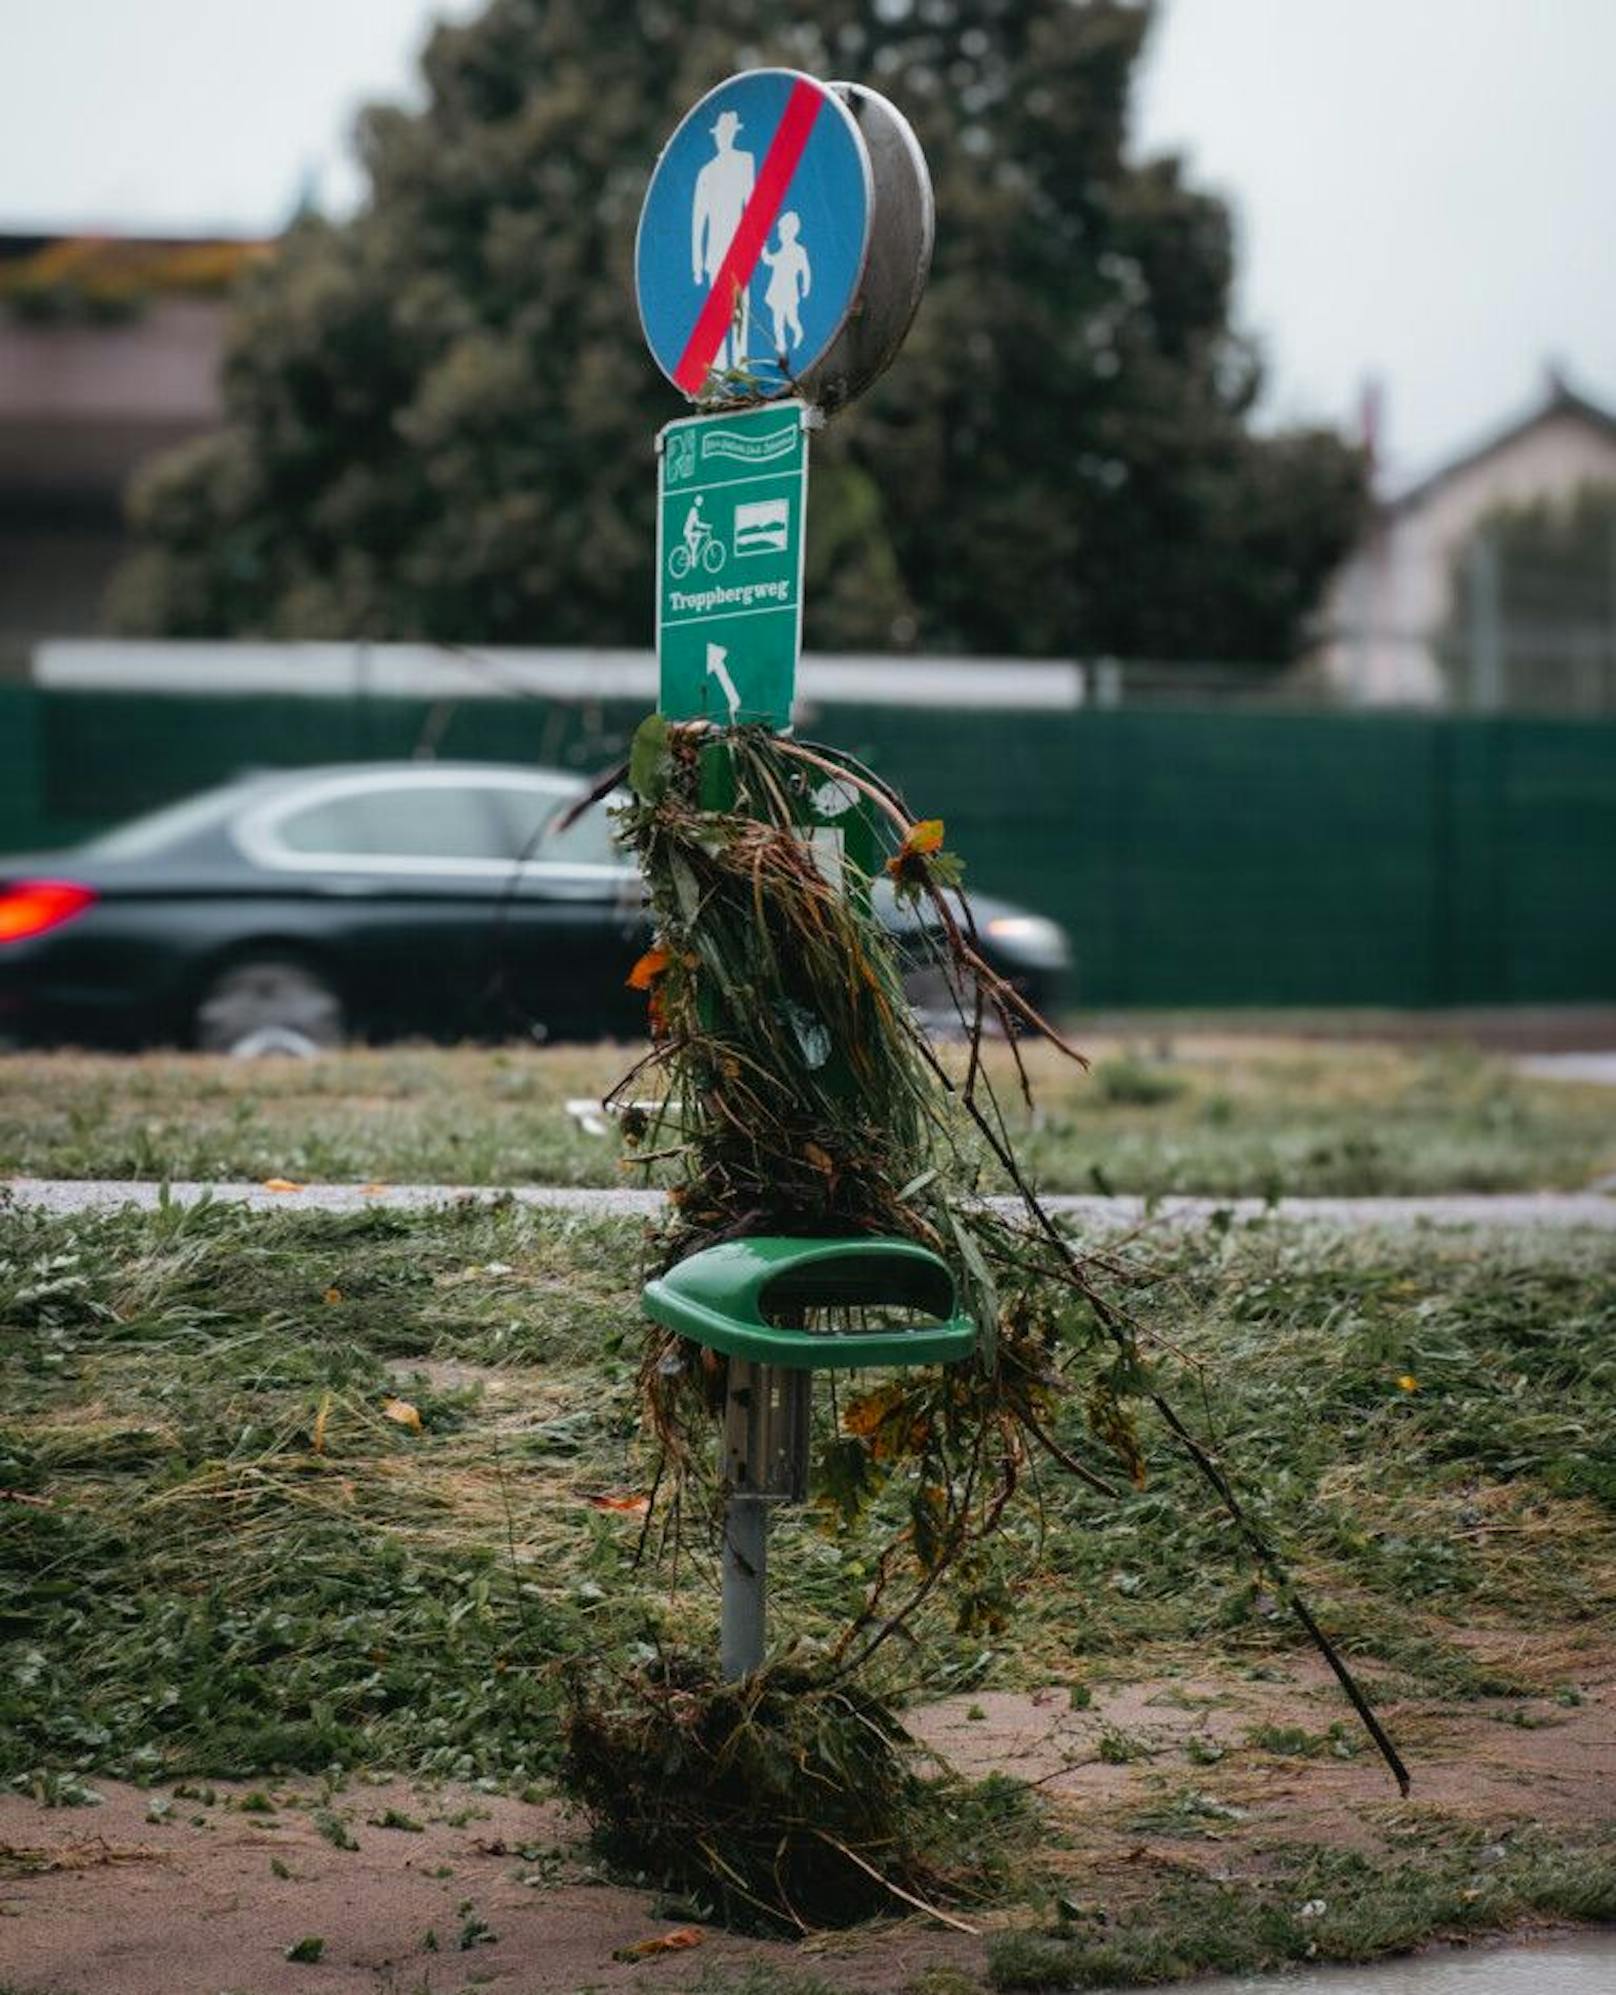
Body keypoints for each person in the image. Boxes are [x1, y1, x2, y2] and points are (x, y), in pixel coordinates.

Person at [691, 109, 755, 370]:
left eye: (728, 132)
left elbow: (752, 205)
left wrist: (758, 245)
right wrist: (697, 261)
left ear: (733, 134)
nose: (723, 138)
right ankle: (718, 370)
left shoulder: (746, 161)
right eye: (721, 133)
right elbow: (699, 221)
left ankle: (741, 365)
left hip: (740, 246)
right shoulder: (706, 172)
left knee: (740, 306)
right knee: (718, 311)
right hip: (714, 251)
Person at [761, 213, 811, 355]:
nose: (780, 234)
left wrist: (805, 286)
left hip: (790, 292)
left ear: (793, 231)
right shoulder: (781, 251)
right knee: (777, 320)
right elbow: (769, 261)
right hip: (777, 290)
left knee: (791, 320)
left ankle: (798, 331)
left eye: (783, 231)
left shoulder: (799, 251)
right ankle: (781, 344)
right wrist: (764, 250)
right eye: (780, 231)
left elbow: (806, 270)